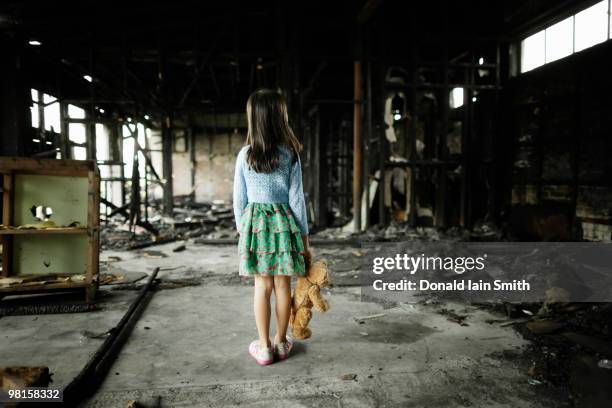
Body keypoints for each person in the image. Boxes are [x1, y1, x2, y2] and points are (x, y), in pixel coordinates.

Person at [233, 88, 311, 365]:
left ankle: (264, 347)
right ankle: (281, 342)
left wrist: (243, 230)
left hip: (255, 224)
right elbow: (297, 199)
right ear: (280, 117)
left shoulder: (245, 155)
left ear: (253, 119)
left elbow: (239, 199)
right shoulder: (290, 154)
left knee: (261, 287)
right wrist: (304, 238)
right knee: (283, 286)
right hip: (283, 223)